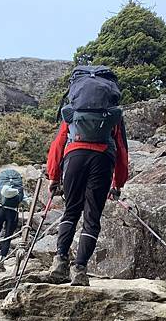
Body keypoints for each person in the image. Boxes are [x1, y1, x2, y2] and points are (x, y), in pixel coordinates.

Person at [46, 66, 129, 286]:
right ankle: (80, 270)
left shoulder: (74, 108)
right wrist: (118, 182)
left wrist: (54, 176)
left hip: (74, 156)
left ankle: (60, 261)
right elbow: (121, 149)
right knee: (92, 218)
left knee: (71, 211)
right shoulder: (113, 113)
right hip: (102, 158)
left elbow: (59, 143)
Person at [0, 169, 24, 269]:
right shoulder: (18, 184)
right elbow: (23, 198)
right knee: (8, 236)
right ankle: (1, 261)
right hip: (13, 212)